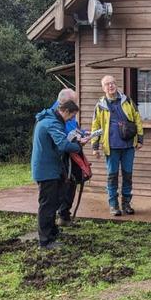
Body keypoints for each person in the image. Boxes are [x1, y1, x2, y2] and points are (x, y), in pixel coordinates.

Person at [31, 100, 89, 249]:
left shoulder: (49, 119)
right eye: (71, 116)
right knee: (48, 205)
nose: (71, 120)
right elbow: (63, 144)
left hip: (49, 168)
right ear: (65, 112)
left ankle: (52, 233)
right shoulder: (52, 123)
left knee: (54, 201)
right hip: (47, 170)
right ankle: (45, 240)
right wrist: (78, 145)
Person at [91, 75, 144, 216]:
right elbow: (95, 126)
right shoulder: (100, 106)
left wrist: (140, 139)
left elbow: (137, 119)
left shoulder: (127, 101)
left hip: (128, 146)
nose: (111, 86)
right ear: (103, 88)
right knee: (112, 176)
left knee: (128, 175)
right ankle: (113, 205)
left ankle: (126, 204)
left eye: (113, 83)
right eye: (107, 84)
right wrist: (95, 146)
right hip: (111, 147)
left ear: (116, 85)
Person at [50, 88, 79, 226]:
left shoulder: (67, 113)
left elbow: (74, 127)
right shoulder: (55, 116)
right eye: (74, 101)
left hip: (71, 151)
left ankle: (65, 215)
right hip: (63, 155)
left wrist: (82, 133)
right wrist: (77, 144)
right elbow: (62, 137)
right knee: (64, 184)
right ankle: (60, 216)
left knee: (72, 183)